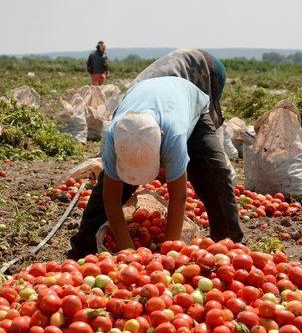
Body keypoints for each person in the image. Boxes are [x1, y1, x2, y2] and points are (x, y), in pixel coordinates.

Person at [69, 49, 242, 258]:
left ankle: (228, 246)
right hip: (148, 95)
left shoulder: (174, 133)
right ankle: (84, 246)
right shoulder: (115, 134)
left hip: (186, 97)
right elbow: (111, 197)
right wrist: (127, 251)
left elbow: (178, 196)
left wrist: (167, 254)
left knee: (213, 172)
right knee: (112, 181)